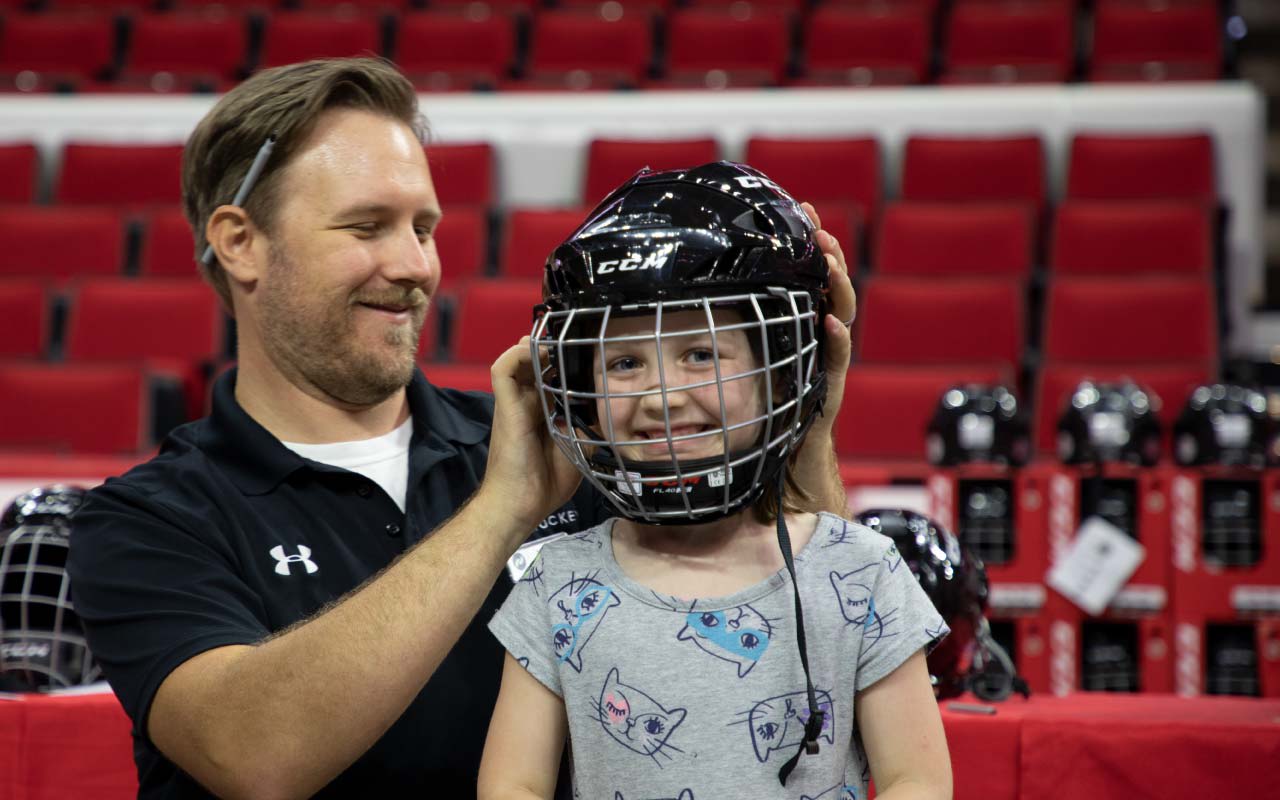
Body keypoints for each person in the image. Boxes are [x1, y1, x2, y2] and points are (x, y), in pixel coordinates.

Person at [65, 58, 856, 799]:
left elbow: (811, 644)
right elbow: (256, 754)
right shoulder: (149, 517)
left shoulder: (567, 444)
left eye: (424, 227)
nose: (415, 266)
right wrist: (497, 513)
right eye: (367, 226)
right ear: (241, 242)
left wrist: (804, 425)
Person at [479, 163, 951, 800]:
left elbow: (915, 779)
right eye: (623, 362)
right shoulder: (556, 581)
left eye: (700, 354)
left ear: (782, 374)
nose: (663, 396)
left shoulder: (862, 570)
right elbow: (513, 786)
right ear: (579, 390)